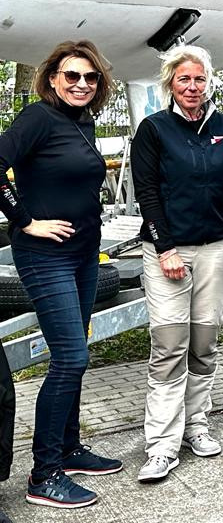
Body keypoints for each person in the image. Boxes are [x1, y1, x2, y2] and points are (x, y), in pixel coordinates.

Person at [0, 41, 121, 508]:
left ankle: (69, 450)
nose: (81, 84)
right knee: (70, 358)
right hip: (44, 256)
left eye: (90, 77)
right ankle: (44, 474)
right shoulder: (38, 118)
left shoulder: (82, 121)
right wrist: (24, 220)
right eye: (72, 76)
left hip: (85, 256)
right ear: (52, 78)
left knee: (77, 355)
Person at [130, 45, 223, 484]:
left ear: (209, 82)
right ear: (170, 83)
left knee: (204, 343)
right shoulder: (153, 129)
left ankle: (196, 425)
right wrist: (165, 249)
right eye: (184, 79)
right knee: (169, 347)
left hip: (216, 249)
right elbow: (147, 193)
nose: (193, 86)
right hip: (167, 252)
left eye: (199, 79)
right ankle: (161, 445)